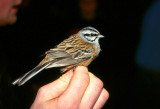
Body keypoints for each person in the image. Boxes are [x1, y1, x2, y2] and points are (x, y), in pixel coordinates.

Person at [0, 0, 109, 108]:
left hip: (57, 55)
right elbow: (70, 56)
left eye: (97, 35)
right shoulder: (90, 47)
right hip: (59, 57)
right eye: (93, 35)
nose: (97, 37)